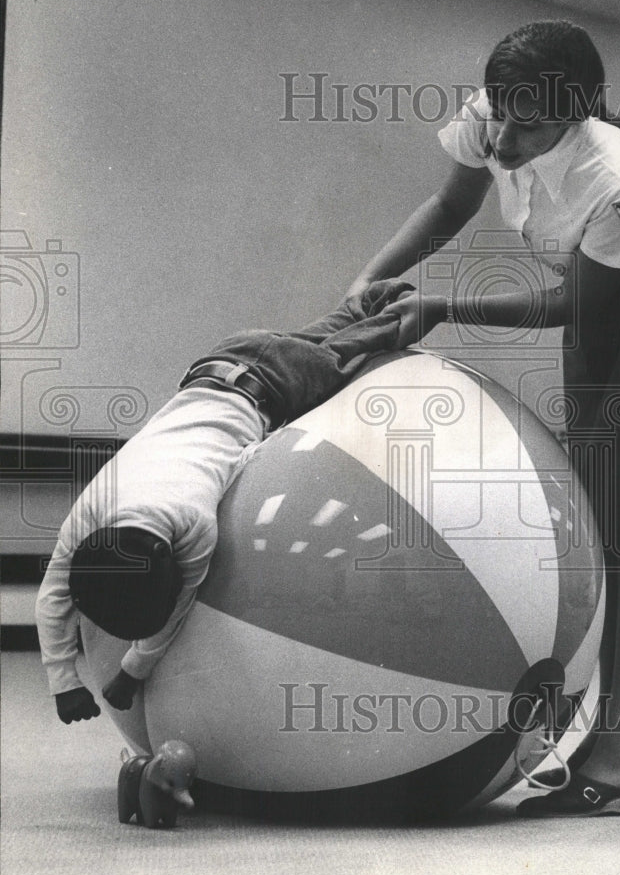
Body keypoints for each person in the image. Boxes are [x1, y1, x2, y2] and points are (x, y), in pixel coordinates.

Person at [347, 20, 620, 817]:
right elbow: (446, 202)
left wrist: (439, 305)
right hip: (606, 305)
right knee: (598, 523)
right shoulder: (498, 112)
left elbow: (574, 304)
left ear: (574, 113)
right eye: (498, 112)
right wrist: (374, 274)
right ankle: (613, 733)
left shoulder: (618, 178)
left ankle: (619, 756)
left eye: (526, 126)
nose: (501, 138)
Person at [36, 279, 413, 724]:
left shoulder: (192, 522)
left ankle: (405, 309)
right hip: (231, 354)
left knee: (382, 335)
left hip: (284, 384)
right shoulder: (95, 505)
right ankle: (372, 299)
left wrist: (127, 673)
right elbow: (58, 593)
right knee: (344, 322)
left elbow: (169, 609)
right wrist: (66, 682)